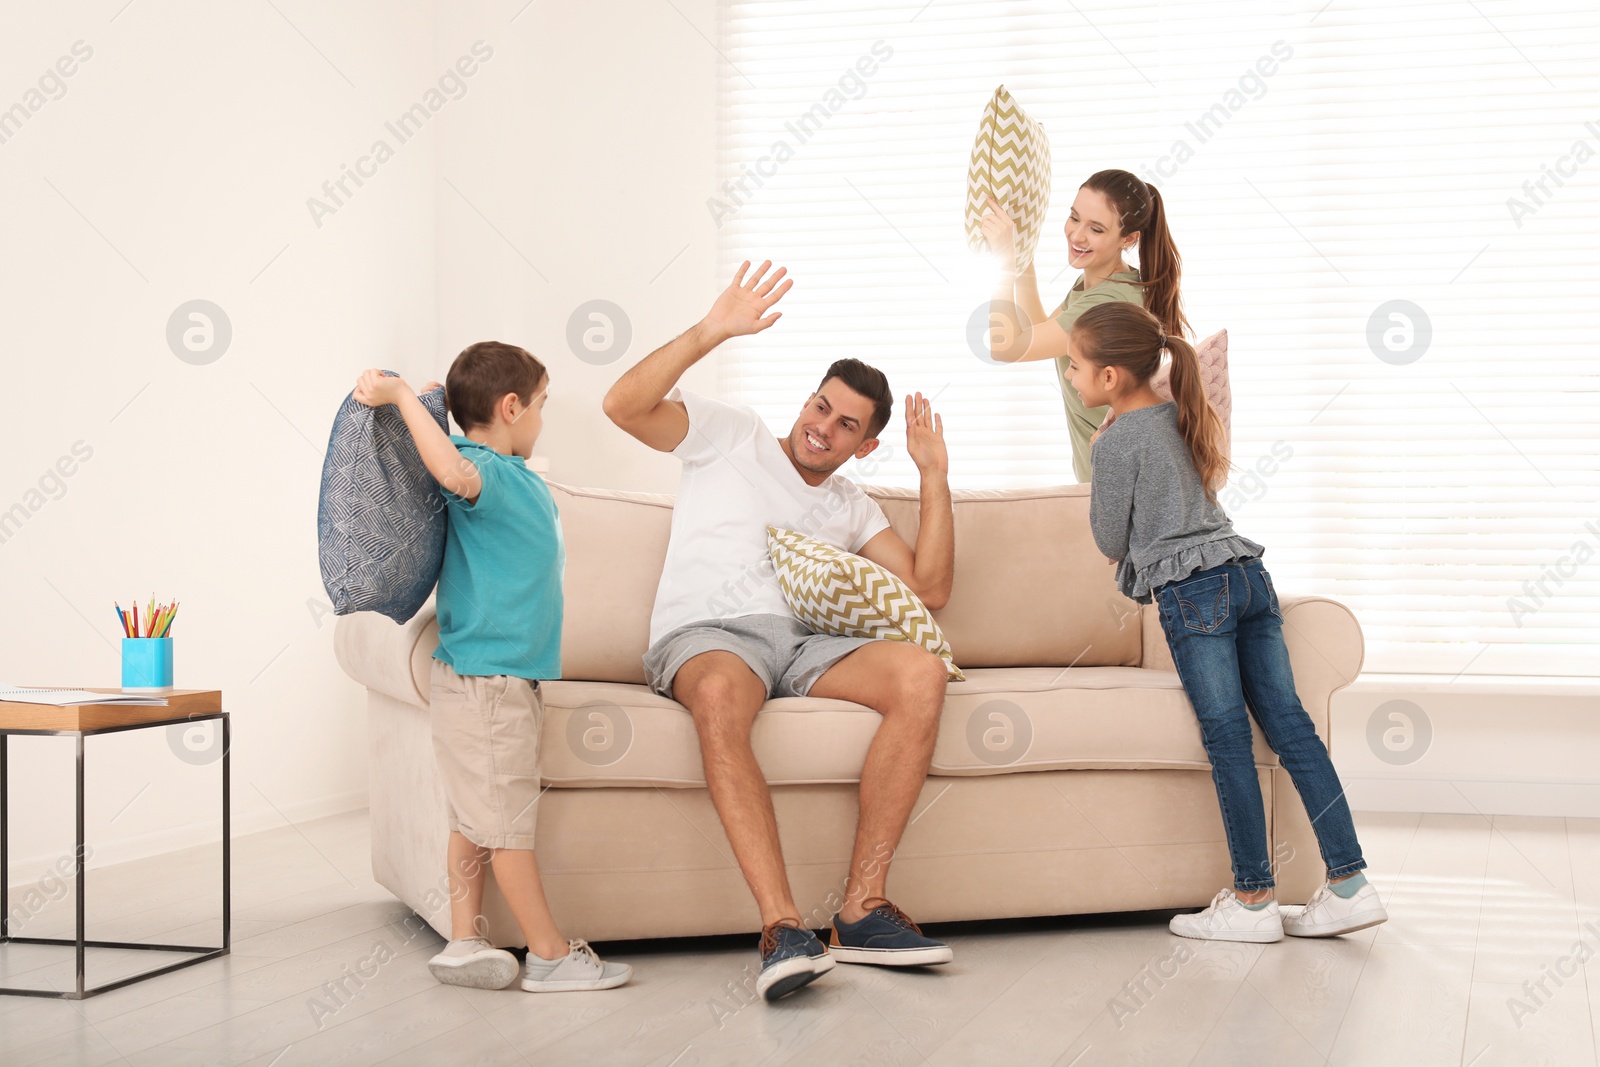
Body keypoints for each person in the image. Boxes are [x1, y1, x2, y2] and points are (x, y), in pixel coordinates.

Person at [603, 260, 957, 1000]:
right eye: (820, 405)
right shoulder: (732, 434)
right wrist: (711, 329)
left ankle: (860, 908)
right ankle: (783, 927)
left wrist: (933, 475)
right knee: (724, 700)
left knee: (920, 674)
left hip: (797, 642)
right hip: (709, 632)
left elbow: (929, 588)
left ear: (865, 446)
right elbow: (622, 405)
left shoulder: (854, 505)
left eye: (845, 424)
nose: (821, 427)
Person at [1073, 301, 1388, 943]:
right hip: (1248, 575)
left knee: (1227, 742)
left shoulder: (1115, 443)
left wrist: (1108, 462)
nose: (1072, 377)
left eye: (1075, 366)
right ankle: (1351, 885)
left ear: (1110, 378)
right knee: (1292, 727)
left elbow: (1109, 538)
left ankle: (1252, 902)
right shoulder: (1181, 413)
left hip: (1194, 593)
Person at [353, 345, 632, 992]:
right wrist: (403, 400)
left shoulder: (500, 468)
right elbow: (451, 469)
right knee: (505, 824)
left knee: (473, 820)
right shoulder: (485, 472)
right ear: (511, 407)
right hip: (488, 683)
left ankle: (464, 939)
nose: (541, 418)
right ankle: (551, 954)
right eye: (539, 405)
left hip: (497, 678)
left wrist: (426, 404)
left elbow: (452, 456)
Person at [981, 169, 1188, 482]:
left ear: (1129, 238)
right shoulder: (1100, 283)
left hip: (1122, 481)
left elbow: (1006, 347)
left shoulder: (1109, 301)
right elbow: (1040, 330)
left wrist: (1005, 260)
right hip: (1115, 477)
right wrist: (1023, 255)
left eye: (1096, 229)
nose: (1077, 235)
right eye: (1074, 217)